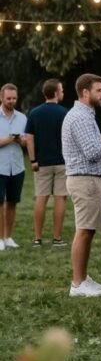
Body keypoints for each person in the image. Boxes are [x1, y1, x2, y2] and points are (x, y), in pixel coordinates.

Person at [63, 74, 101, 297]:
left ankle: (82, 278)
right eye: (98, 90)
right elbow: (92, 153)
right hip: (84, 180)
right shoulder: (80, 117)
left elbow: (90, 147)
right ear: (85, 92)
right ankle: (78, 283)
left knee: (87, 231)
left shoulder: (84, 115)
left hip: (87, 179)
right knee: (83, 232)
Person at [25, 79, 69, 249]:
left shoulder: (34, 113)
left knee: (41, 198)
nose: (63, 93)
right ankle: (57, 239)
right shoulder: (65, 113)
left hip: (41, 163)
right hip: (62, 162)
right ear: (56, 93)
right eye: (62, 90)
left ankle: (38, 239)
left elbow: (29, 138)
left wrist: (33, 160)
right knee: (60, 198)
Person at [0, 83, 28, 250]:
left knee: (12, 202)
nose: (11, 101)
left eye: (14, 98)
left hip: (17, 167)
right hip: (0, 167)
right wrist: (7, 139)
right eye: (8, 98)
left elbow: (26, 142)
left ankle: (8, 237)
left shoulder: (22, 118)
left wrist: (19, 140)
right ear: (2, 98)